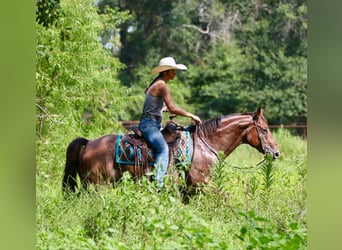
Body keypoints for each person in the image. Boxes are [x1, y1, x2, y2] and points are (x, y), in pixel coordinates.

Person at [138, 57, 202, 190]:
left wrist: (162, 110)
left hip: (151, 123)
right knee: (163, 149)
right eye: (173, 70)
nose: (175, 73)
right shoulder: (162, 85)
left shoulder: (158, 83)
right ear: (166, 72)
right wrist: (191, 115)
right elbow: (173, 107)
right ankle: (158, 185)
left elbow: (154, 107)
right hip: (150, 125)